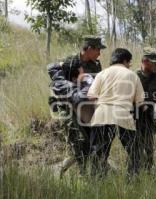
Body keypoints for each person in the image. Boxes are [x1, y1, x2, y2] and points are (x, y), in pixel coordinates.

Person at [47, 35, 106, 176]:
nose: (99, 53)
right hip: (67, 108)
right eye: (98, 49)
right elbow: (58, 85)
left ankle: (62, 171)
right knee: (79, 143)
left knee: (90, 143)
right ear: (89, 48)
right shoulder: (70, 61)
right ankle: (81, 175)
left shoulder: (95, 65)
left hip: (87, 109)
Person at [87, 48, 144, 177]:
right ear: (124, 61)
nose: (130, 65)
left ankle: (96, 180)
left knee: (98, 153)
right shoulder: (132, 75)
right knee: (134, 152)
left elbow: (91, 96)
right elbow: (140, 102)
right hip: (123, 116)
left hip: (101, 115)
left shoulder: (101, 74)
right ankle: (132, 179)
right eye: (129, 62)